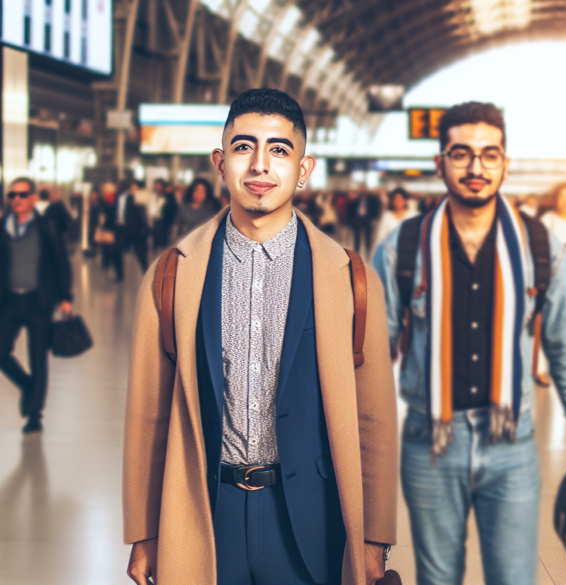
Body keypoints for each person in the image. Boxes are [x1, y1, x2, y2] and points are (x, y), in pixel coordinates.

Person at [123, 89, 398, 585]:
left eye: (279, 149)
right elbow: (149, 415)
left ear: (304, 168)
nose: (260, 166)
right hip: (206, 510)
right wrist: (144, 533)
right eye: (244, 147)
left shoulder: (347, 278)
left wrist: (375, 537)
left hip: (311, 521)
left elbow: (373, 419)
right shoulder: (172, 275)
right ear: (220, 161)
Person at [373, 102, 566, 585]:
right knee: (437, 579)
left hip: (513, 443)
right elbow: (375, 355)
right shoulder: (403, 247)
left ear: (505, 162)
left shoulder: (542, 248)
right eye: (461, 154)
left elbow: (564, 347)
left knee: (514, 578)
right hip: (429, 440)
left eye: (490, 155)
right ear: (440, 163)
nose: (476, 168)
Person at [1, 178, 73, 433]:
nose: (17, 199)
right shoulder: (3, 226)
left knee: (38, 358)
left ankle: (35, 415)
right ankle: (26, 385)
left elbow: (61, 262)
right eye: (13, 195)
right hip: (9, 301)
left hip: (38, 301)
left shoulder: (46, 227)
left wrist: (66, 297)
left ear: (33, 198)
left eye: (22, 194)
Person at [116, 179, 149, 274]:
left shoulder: (133, 197)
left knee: (139, 251)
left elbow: (140, 212)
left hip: (133, 229)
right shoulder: (119, 197)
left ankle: (145, 269)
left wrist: (144, 227)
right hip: (120, 227)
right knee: (118, 251)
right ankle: (119, 274)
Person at [348, 189, 382, 255]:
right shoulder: (357, 200)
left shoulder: (371, 201)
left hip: (367, 219)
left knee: (368, 235)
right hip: (358, 218)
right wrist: (353, 218)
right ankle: (356, 249)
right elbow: (352, 209)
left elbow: (375, 209)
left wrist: (373, 219)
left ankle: (368, 249)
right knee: (357, 235)